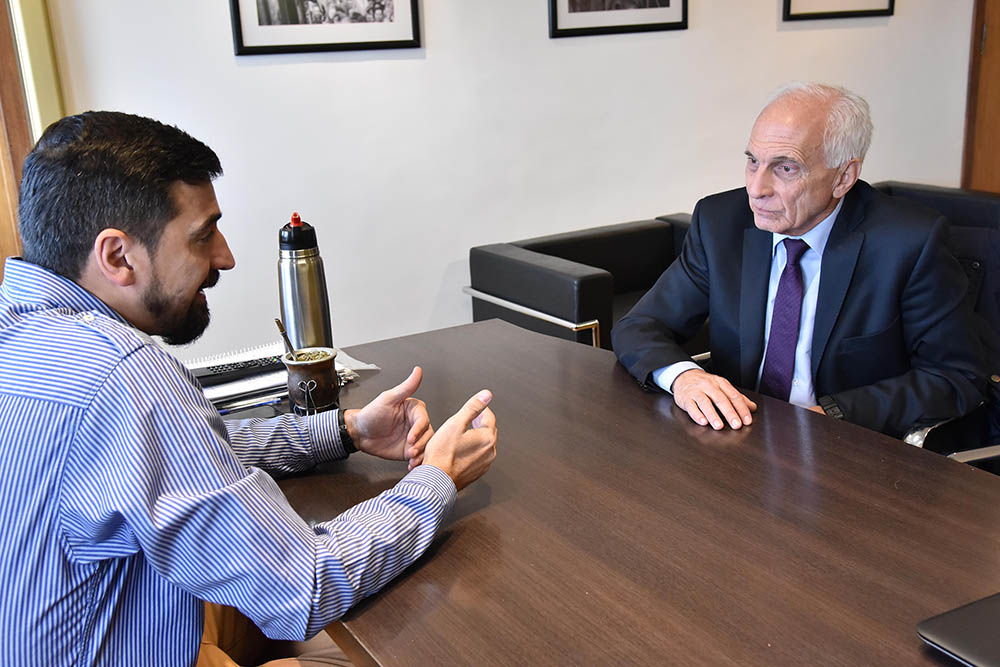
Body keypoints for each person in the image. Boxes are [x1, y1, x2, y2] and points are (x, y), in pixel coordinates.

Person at [0, 111, 498, 666]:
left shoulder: (22, 332)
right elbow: (305, 585)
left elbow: (179, 450)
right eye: (203, 234)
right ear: (118, 256)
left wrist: (345, 429)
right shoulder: (122, 371)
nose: (225, 257)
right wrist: (438, 477)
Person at [612, 82, 986, 439]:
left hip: (847, 450)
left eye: (785, 168)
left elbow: (955, 376)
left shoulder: (908, 243)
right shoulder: (721, 222)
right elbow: (641, 325)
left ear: (843, 178)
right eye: (753, 161)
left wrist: (833, 415)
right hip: (735, 437)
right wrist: (684, 376)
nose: (756, 190)